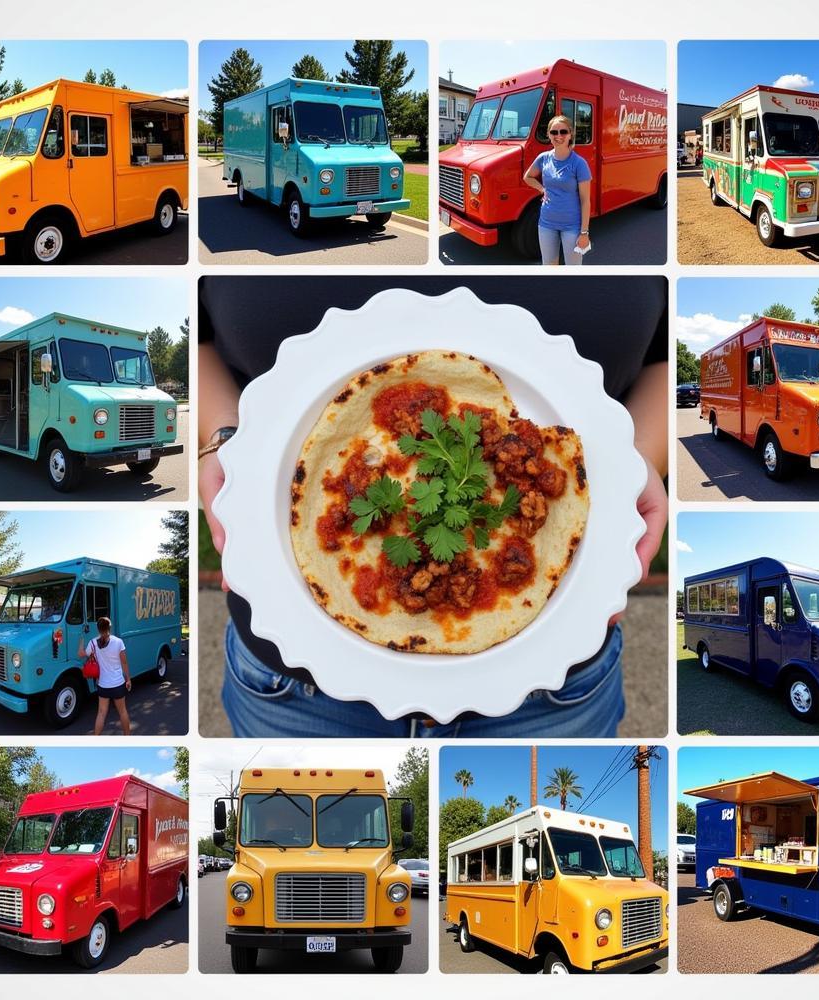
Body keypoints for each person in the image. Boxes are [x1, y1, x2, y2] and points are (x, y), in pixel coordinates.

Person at [198, 276, 668, 740]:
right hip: (290, 688)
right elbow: (195, 340)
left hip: (557, 693)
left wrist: (635, 455)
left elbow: (665, 360)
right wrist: (224, 438)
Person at [523, 115, 592, 266]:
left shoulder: (579, 163)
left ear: (570, 134)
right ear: (548, 135)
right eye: (554, 132)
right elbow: (527, 177)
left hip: (572, 227)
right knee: (549, 266)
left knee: (573, 270)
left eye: (563, 132)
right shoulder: (543, 158)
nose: (558, 136)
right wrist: (542, 189)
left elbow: (585, 201)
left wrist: (584, 232)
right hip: (546, 224)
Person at [78, 616, 132, 736]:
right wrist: (128, 679)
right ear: (110, 627)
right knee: (122, 712)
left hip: (103, 685)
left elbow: (81, 654)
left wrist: (81, 641)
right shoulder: (118, 642)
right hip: (118, 684)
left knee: (101, 714)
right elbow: (124, 662)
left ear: (98, 629)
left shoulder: (92, 643)